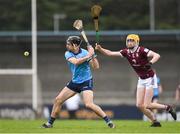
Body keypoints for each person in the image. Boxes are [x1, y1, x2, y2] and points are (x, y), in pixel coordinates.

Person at [95, 34, 177, 127]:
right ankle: (155, 121)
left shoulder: (142, 50)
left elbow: (156, 55)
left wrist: (150, 63)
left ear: (137, 42)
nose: (129, 42)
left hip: (150, 78)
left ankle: (168, 108)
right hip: (141, 79)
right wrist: (100, 49)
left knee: (148, 104)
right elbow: (110, 53)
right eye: (128, 40)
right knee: (139, 105)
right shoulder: (126, 52)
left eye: (132, 41)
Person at [42, 36, 115, 128]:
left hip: (86, 81)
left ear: (75, 45)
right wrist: (89, 55)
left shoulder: (85, 52)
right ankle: (50, 123)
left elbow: (96, 67)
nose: (67, 46)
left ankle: (109, 122)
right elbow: (76, 62)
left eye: (69, 44)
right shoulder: (68, 53)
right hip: (75, 82)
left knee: (89, 104)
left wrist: (92, 55)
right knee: (58, 100)